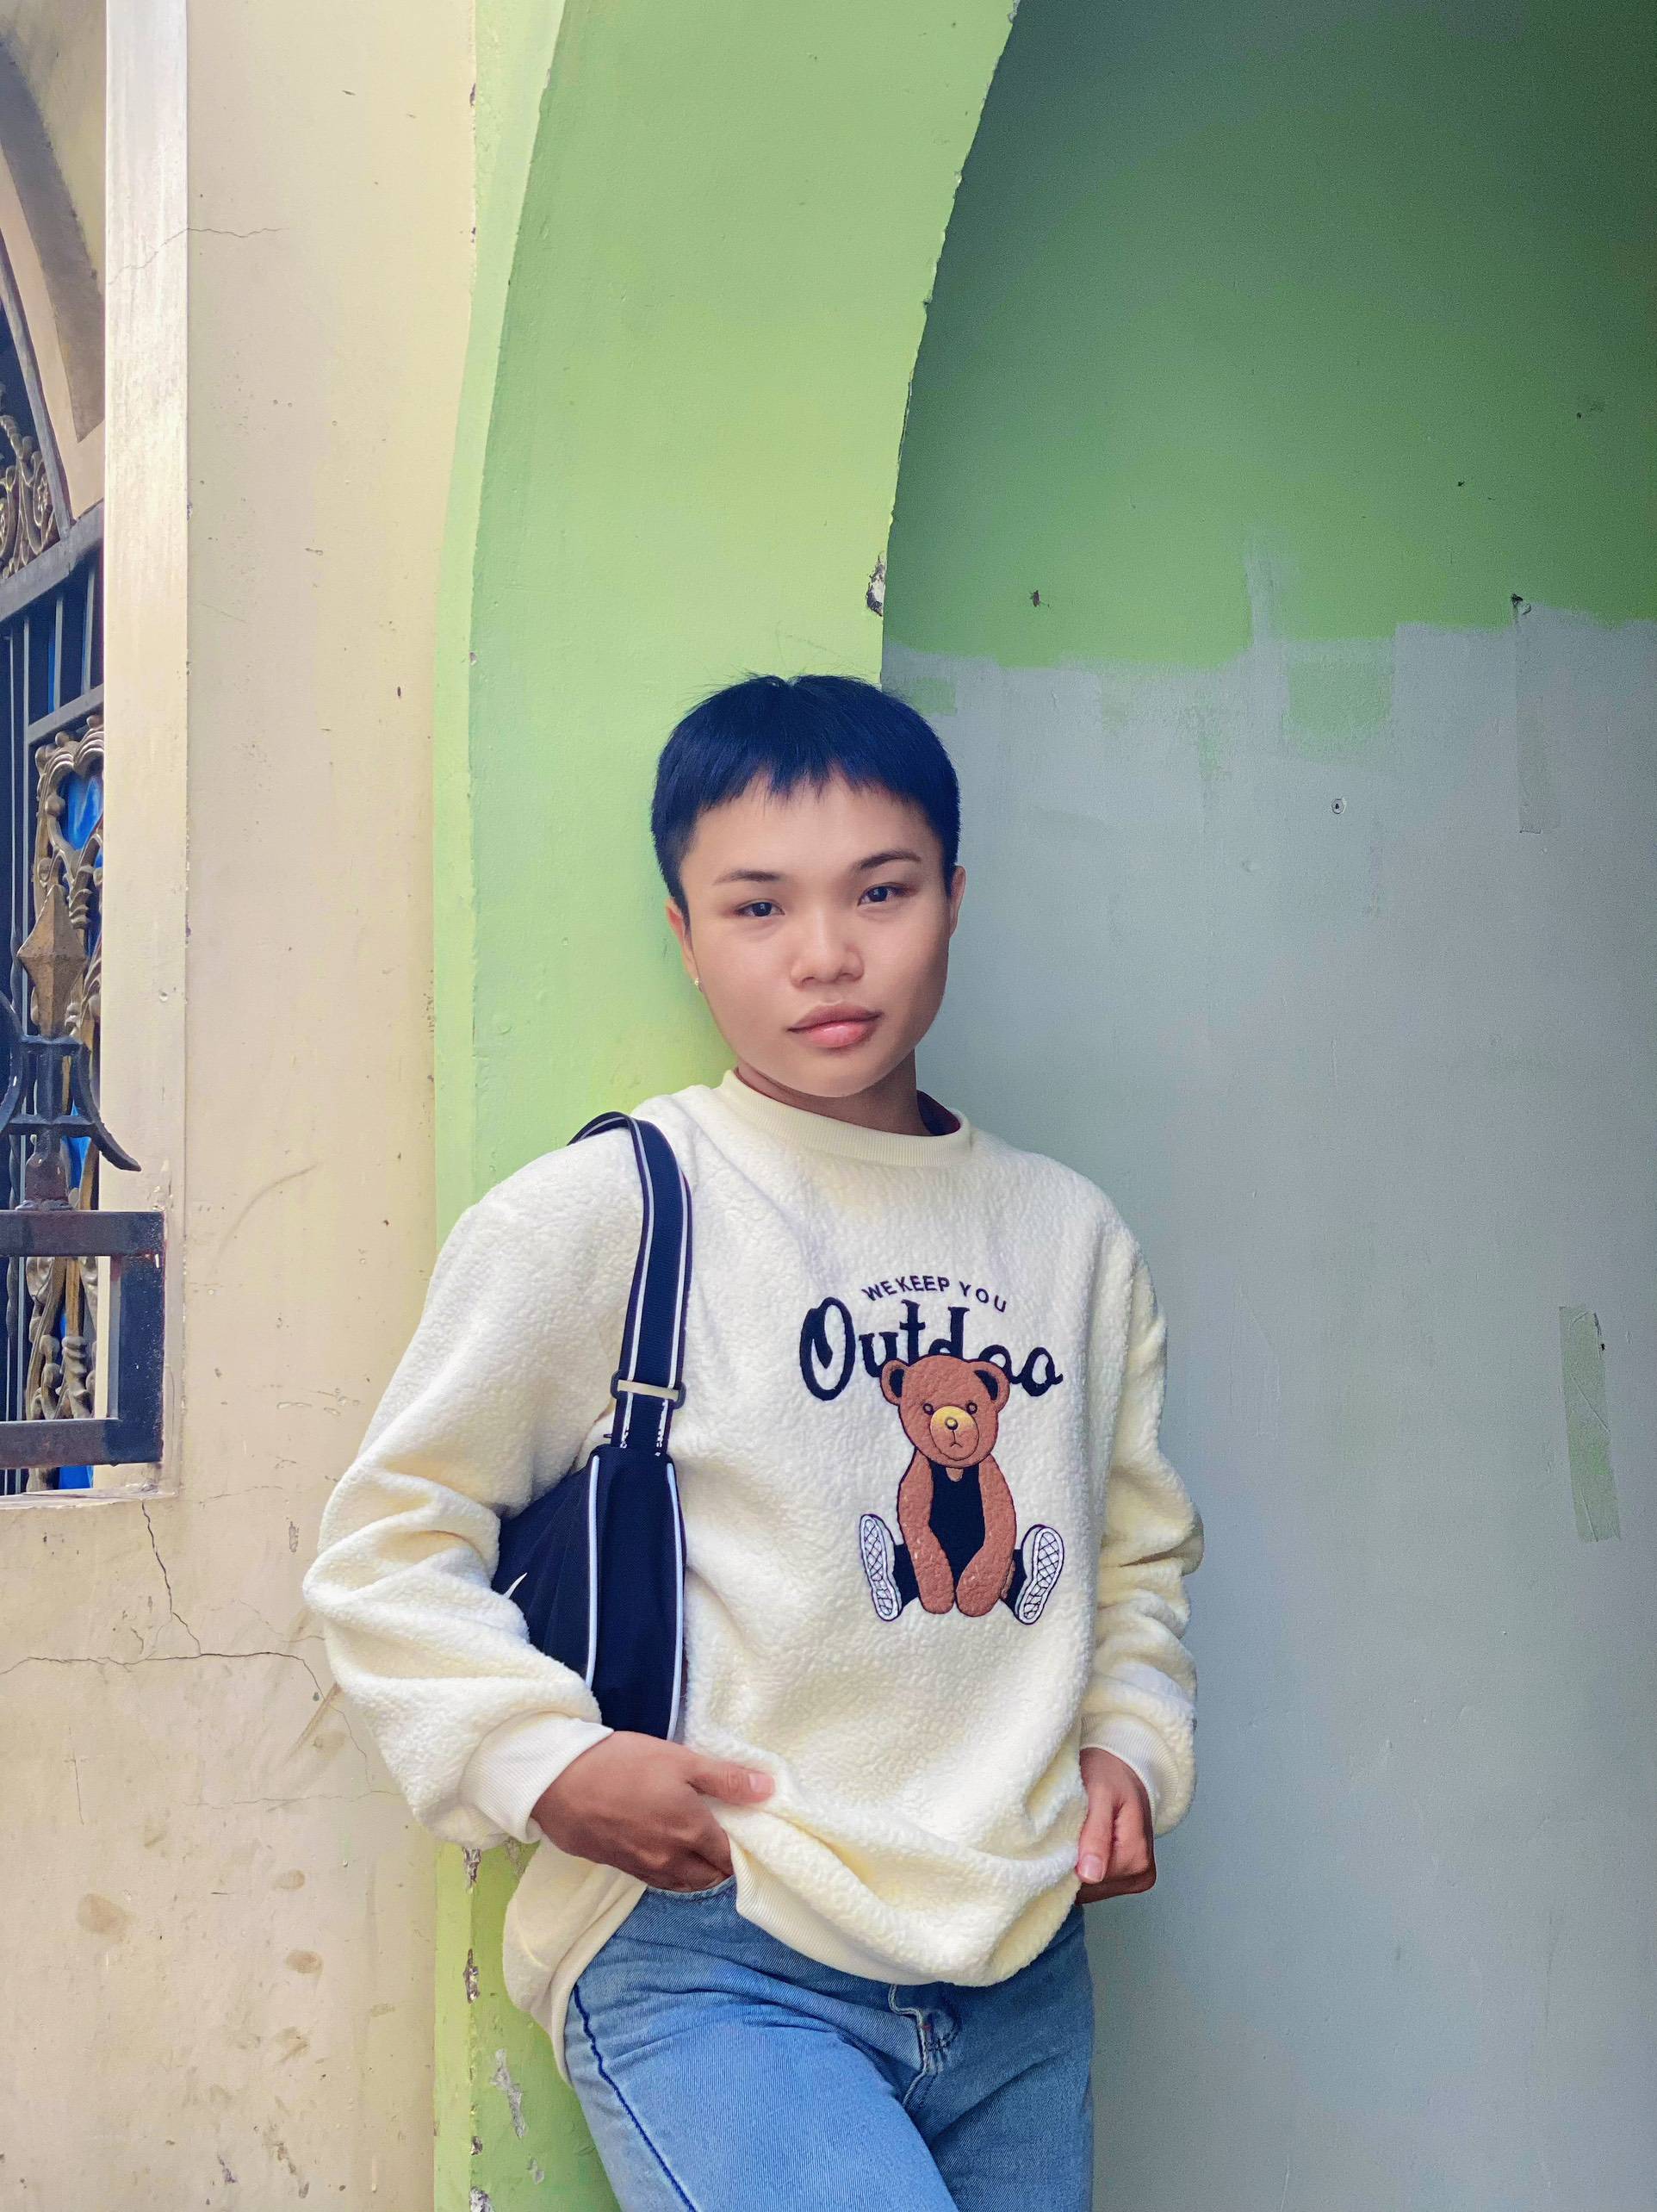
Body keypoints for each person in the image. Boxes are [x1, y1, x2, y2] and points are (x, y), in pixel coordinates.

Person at [302, 673, 1205, 2209]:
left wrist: (1130, 1739)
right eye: (759, 907)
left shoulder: (1071, 1239)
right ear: (686, 934)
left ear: (956, 898)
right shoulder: (615, 1209)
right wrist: (545, 1764)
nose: (826, 953)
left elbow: (1136, 1553)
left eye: (881, 892)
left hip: (1020, 1955)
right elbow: (391, 1541)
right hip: (722, 1947)